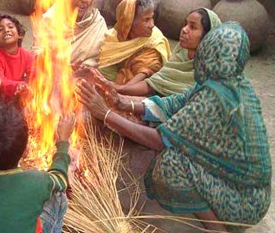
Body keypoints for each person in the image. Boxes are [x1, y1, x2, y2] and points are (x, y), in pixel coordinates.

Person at [77, 22, 271, 231]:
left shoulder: (217, 97)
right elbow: (174, 102)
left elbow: (160, 140)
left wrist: (105, 114)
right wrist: (121, 101)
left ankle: (216, 227)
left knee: (170, 164)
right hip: (250, 191)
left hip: (243, 201)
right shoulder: (229, 82)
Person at [0, 104, 75, 232]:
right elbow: (61, 179)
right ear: (25, 151)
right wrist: (63, 140)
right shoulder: (35, 181)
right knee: (59, 197)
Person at [99, 8, 221, 97]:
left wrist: (120, 91)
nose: (184, 30)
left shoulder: (209, 72)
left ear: (208, 36)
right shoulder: (178, 58)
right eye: (185, 24)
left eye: (193, 27)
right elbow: (154, 84)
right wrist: (117, 89)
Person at [98, 0, 171, 87]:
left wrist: (120, 88)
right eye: (146, 20)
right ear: (129, 22)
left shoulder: (155, 41)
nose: (152, 24)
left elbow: (146, 72)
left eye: (152, 18)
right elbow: (106, 72)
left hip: (140, 90)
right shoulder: (111, 39)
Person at [38, 0, 107, 67]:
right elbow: (38, 53)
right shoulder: (51, 19)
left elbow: (100, 58)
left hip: (84, 75)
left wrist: (83, 67)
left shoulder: (97, 22)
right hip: (53, 74)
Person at [0, 14, 35, 101]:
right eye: (0, 30)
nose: (6, 30)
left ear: (20, 34)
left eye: (10, 27)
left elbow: (34, 75)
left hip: (18, 95)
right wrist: (19, 86)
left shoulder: (26, 55)